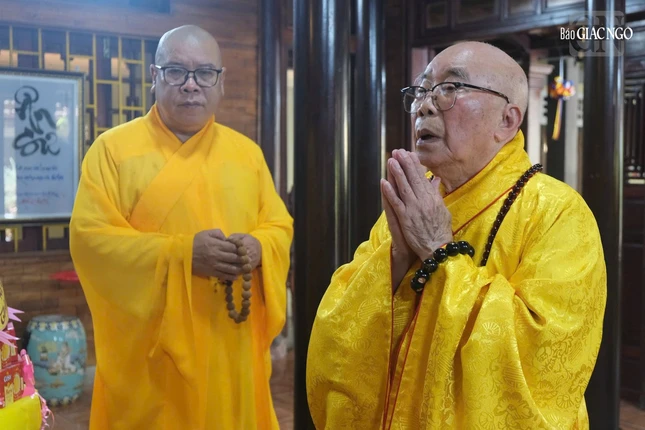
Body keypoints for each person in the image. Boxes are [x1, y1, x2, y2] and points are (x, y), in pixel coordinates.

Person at [306, 41, 606, 429]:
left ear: (507, 120)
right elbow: (338, 329)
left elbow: (543, 357)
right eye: (421, 90)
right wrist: (397, 259)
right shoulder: (419, 199)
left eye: (450, 88)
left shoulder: (557, 212)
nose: (424, 106)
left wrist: (437, 249)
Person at [70, 25, 293, 429]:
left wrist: (261, 247)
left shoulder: (247, 155)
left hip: (229, 347)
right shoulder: (112, 151)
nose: (191, 85)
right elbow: (91, 240)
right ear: (154, 77)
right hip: (151, 358)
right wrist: (183, 254)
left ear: (221, 82)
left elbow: (278, 225)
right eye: (176, 71)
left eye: (204, 73)